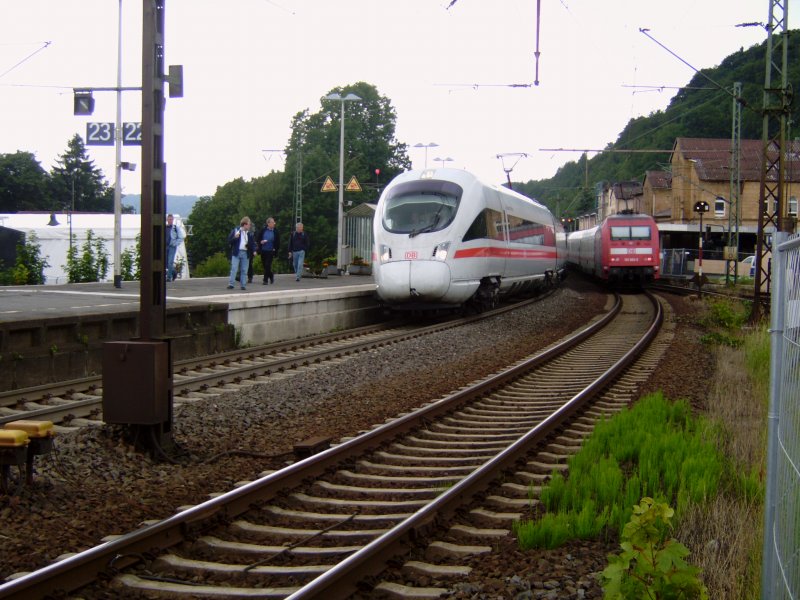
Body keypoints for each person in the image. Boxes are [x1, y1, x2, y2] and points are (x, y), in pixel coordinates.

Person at [227, 216, 255, 290]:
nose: (249, 226)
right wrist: (235, 237)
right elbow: (229, 241)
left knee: (244, 269)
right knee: (234, 268)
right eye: (249, 224)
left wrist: (254, 250)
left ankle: (243, 285)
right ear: (245, 224)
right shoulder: (236, 230)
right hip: (237, 252)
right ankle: (231, 284)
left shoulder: (249, 233)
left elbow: (252, 244)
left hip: (245, 252)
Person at [257, 217, 280, 284]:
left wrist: (275, 248)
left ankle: (265, 280)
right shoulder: (263, 230)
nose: (274, 223)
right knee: (265, 265)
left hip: (271, 251)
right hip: (263, 250)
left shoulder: (275, 231)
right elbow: (258, 238)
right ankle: (271, 275)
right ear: (268, 223)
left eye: (274, 222)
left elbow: (278, 242)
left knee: (268, 265)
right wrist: (261, 242)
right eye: (272, 222)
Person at [165, 213, 185, 282]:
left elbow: (181, 237)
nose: (170, 220)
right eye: (169, 219)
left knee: (170, 262)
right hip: (165, 246)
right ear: (167, 220)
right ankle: (174, 272)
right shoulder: (165, 227)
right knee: (166, 263)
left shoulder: (175, 228)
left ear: (173, 220)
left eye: (171, 219)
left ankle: (169, 277)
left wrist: (175, 243)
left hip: (172, 247)